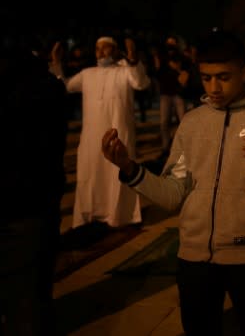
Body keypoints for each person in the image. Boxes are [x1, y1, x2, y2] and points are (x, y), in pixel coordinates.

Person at [100, 29, 245, 336]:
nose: (214, 87)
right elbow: (172, 195)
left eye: (223, 76)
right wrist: (129, 167)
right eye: (206, 78)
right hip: (193, 261)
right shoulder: (192, 122)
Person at [0, 44, 68, 336]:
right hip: (35, 204)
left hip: (26, 207)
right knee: (31, 302)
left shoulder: (38, 90)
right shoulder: (46, 87)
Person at [50, 35, 151, 229]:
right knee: (91, 175)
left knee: (116, 174)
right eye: (98, 48)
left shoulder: (125, 71)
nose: (101, 52)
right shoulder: (87, 73)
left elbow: (141, 83)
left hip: (118, 135)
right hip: (91, 139)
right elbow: (64, 85)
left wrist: (133, 59)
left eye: (106, 48)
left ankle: (119, 215)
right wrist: (56, 63)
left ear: (114, 50)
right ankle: (92, 213)